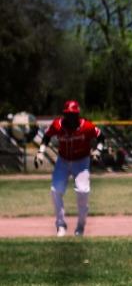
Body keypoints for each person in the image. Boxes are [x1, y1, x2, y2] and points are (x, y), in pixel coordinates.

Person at [33, 100, 104, 237]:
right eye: (68, 114)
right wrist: (41, 152)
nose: (71, 117)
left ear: (78, 115)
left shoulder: (86, 126)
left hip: (81, 162)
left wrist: (98, 151)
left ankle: (80, 227)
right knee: (55, 190)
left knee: (83, 191)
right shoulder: (58, 125)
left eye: (73, 114)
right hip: (63, 161)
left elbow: (101, 137)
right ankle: (60, 226)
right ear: (64, 114)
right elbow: (46, 137)